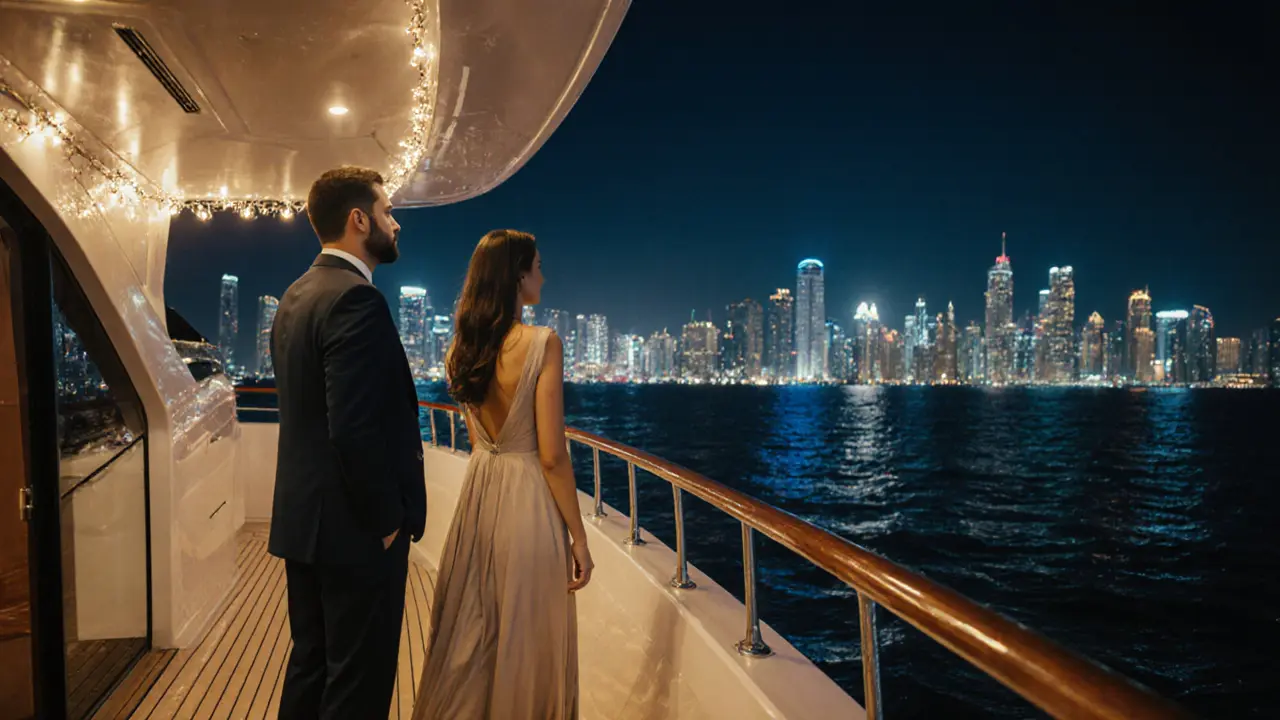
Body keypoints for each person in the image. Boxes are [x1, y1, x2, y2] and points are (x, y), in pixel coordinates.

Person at [268, 166, 427, 718]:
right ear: (359, 220)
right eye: (387, 211)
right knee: (356, 685)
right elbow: (353, 427)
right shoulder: (357, 300)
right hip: (355, 533)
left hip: (305, 525)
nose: (396, 223)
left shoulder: (295, 296)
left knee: (312, 667)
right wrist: (386, 521)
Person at [413, 230, 592, 720]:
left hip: (481, 493)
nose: (543, 274)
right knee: (526, 634)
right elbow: (552, 455)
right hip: (527, 499)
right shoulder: (543, 343)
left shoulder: (463, 348)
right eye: (537, 265)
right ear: (517, 275)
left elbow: (480, 439)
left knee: (475, 633)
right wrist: (578, 538)